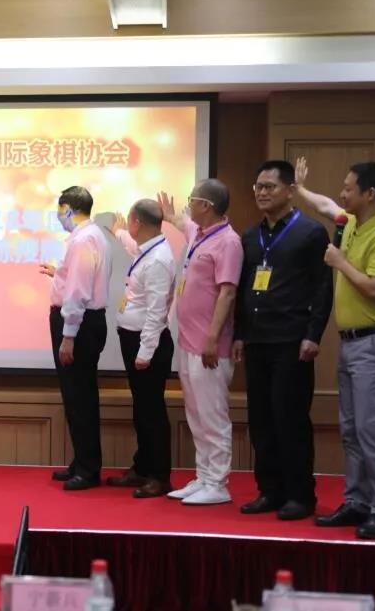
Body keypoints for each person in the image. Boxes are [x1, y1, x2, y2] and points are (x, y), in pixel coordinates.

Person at [295, 158, 375, 539]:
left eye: (348, 188)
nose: (342, 194)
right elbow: (326, 206)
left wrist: (340, 262)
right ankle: (357, 502)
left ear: (370, 194)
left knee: (370, 430)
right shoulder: (354, 222)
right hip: (353, 345)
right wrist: (300, 189)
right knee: (351, 430)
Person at [233, 160, 333, 520]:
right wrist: (240, 334)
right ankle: (270, 491)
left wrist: (313, 334)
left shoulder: (310, 233)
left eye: (269, 187)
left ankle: (300, 495)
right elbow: (243, 290)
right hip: (257, 341)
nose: (262, 193)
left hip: (292, 340)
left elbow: (323, 288)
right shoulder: (250, 237)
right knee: (261, 420)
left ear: (290, 191)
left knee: (290, 418)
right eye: (258, 187)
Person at [161, 180, 244, 505]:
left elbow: (228, 292)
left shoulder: (228, 242)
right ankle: (204, 477)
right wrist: (170, 216)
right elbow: (185, 223)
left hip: (210, 347)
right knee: (196, 414)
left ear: (206, 206)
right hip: (188, 342)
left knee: (212, 416)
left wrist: (213, 337)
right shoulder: (201, 234)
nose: (188, 205)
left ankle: (218, 483)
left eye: (191, 200)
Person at [40, 186, 112, 490]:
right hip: (85, 322)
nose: (58, 216)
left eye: (60, 210)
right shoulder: (91, 236)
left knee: (79, 397)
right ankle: (82, 462)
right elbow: (80, 278)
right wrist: (59, 272)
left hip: (79, 325)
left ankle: (88, 469)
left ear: (68, 208)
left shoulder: (83, 239)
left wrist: (68, 335)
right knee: (76, 396)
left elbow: (79, 291)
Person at [106, 199, 176, 498]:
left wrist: (145, 352)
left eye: (129, 221)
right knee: (142, 409)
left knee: (152, 411)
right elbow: (133, 248)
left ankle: (159, 476)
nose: (127, 225)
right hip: (134, 339)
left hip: (148, 343)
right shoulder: (148, 249)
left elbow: (157, 312)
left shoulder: (158, 259)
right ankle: (143, 467)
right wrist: (119, 233)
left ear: (138, 222)